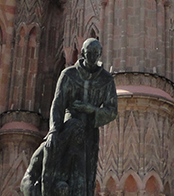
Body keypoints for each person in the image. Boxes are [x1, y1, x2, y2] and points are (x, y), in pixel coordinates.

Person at [21, 38, 117, 196]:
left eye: (96, 54)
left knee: (85, 180)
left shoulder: (106, 80)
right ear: (82, 54)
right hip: (68, 123)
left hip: (90, 134)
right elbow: (58, 104)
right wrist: (53, 131)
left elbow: (112, 111)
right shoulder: (69, 74)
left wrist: (91, 109)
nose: (93, 58)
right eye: (89, 54)